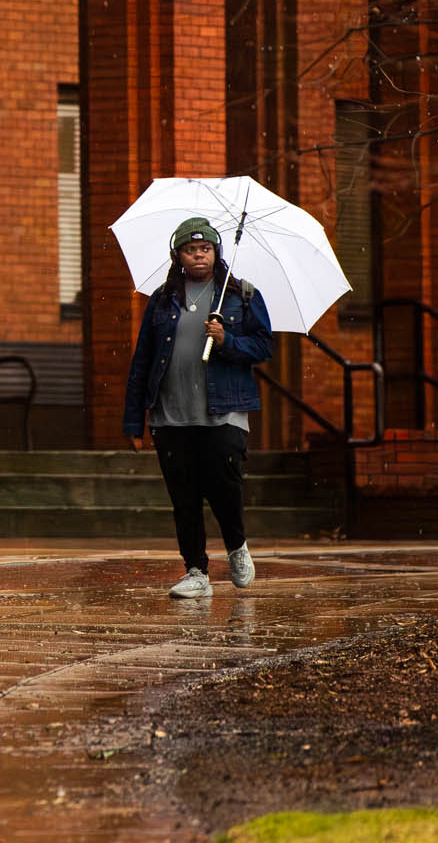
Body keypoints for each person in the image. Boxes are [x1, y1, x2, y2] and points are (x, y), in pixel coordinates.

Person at [122, 217, 274, 599]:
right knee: (184, 497)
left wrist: (227, 341)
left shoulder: (240, 295)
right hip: (170, 415)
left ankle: (236, 547)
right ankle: (195, 570)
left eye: (205, 248)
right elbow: (143, 359)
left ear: (216, 252)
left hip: (223, 412)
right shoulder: (161, 299)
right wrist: (133, 420)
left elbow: (264, 346)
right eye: (191, 250)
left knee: (225, 489)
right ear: (179, 255)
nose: (199, 255)